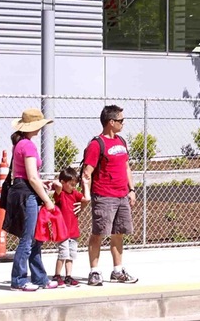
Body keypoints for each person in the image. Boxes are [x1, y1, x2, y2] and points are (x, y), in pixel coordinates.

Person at [82, 104, 139, 285]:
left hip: (122, 195)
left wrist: (131, 189)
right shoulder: (96, 144)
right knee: (98, 233)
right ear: (111, 122)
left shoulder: (121, 142)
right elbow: (86, 173)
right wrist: (86, 195)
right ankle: (94, 271)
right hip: (104, 195)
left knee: (118, 233)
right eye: (121, 121)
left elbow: (126, 167)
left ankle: (117, 271)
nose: (123, 124)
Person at [3, 109, 57, 292]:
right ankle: (18, 280)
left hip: (22, 191)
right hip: (28, 196)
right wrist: (47, 200)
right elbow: (32, 178)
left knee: (34, 239)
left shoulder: (20, 145)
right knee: (28, 240)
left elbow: (23, 175)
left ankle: (40, 278)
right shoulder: (29, 146)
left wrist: (42, 183)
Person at [48, 166, 85, 288]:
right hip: (62, 231)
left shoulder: (74, 193)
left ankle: (68, 276)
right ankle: (57, 275)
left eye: (75, 184)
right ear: (64, 183)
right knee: (63, 253)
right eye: (71, 184)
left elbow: (87, 198)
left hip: (73, 231)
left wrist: (85, 183)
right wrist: (60, 182)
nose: (74, 187)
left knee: (71, 255)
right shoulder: (60, 194)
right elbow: (57, 184)